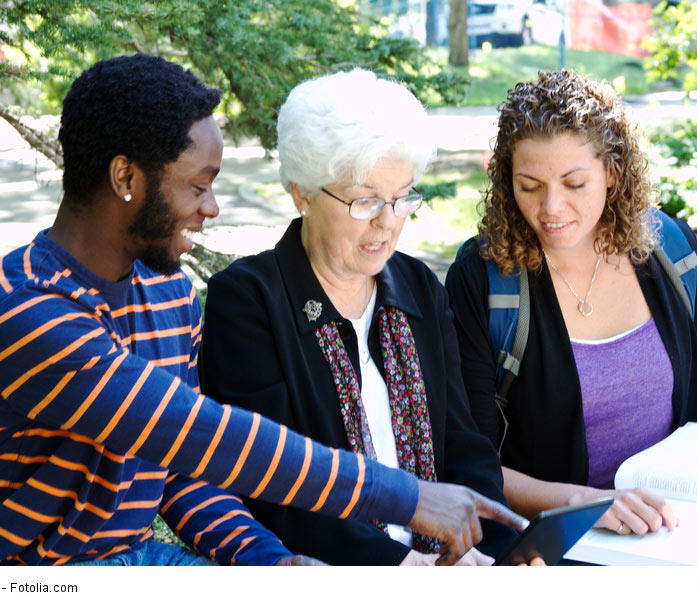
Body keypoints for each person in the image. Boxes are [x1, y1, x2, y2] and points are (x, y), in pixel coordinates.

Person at [0, 55, 528, 567]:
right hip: (14, 574)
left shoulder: (167, 295)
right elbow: (201, 436)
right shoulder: (23, 308)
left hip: (136, 558)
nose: (212, 208)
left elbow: (184, 473)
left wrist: (272, 563)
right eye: (198, 185)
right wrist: (406, 497)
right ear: (126, 178)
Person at [199, 68, 539, 566]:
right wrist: (399, 569)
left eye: (403, 198)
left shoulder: (419, 286)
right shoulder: (249, 301)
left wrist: (488, 548)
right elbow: (273, 489)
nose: (387, 220)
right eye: (365, 200)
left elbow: (464, 445)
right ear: (303, 194)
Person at [445, 69, 697, 542]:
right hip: (555, 544)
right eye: (529, 185)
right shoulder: (483, 280)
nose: (550, 208)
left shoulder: (670, 248)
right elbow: (471, 462)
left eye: (574, 183)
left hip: (679, 531)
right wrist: (586, 503)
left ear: (613, 170)